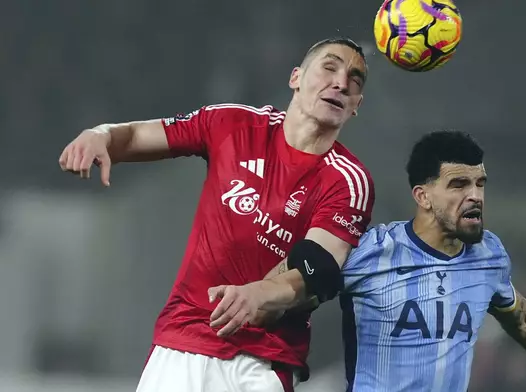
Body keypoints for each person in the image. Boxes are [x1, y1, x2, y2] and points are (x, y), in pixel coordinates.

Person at [58, 37, 375, 392]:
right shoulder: (232, 124)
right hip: (184, 342)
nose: (341, 83)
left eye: (354, 80)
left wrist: (261, 293)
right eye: (329, 68)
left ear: (356, 105)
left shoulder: (348, 180)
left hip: (262, 361)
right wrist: (100, 135)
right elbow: (135, 135)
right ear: (296, 78)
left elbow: (318, 269)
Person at [210, 131, 526, 392]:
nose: (475, 195)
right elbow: (292, 286)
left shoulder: (488, 255)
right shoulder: (369, 251)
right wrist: (254, 300)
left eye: (480, 183)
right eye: (458, 184)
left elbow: (524, 320)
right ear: (422, 196)